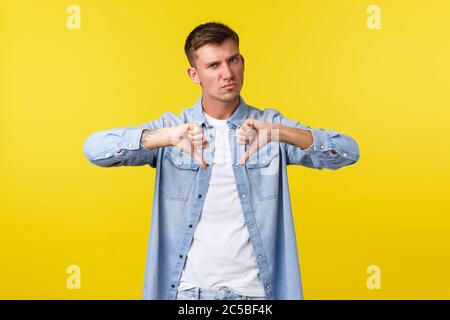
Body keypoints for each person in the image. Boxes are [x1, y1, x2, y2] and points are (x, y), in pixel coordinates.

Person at [83, 22, 360, 300]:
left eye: (233, 60)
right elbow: (94, 150)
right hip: (188, 295)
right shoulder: (174, 128)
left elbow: (348, 152)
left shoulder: (268, 126)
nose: (227, 73)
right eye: (213, 65)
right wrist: (162, 137)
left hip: (257, 296)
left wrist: (280, 133)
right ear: (194, 74)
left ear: (242, 61)